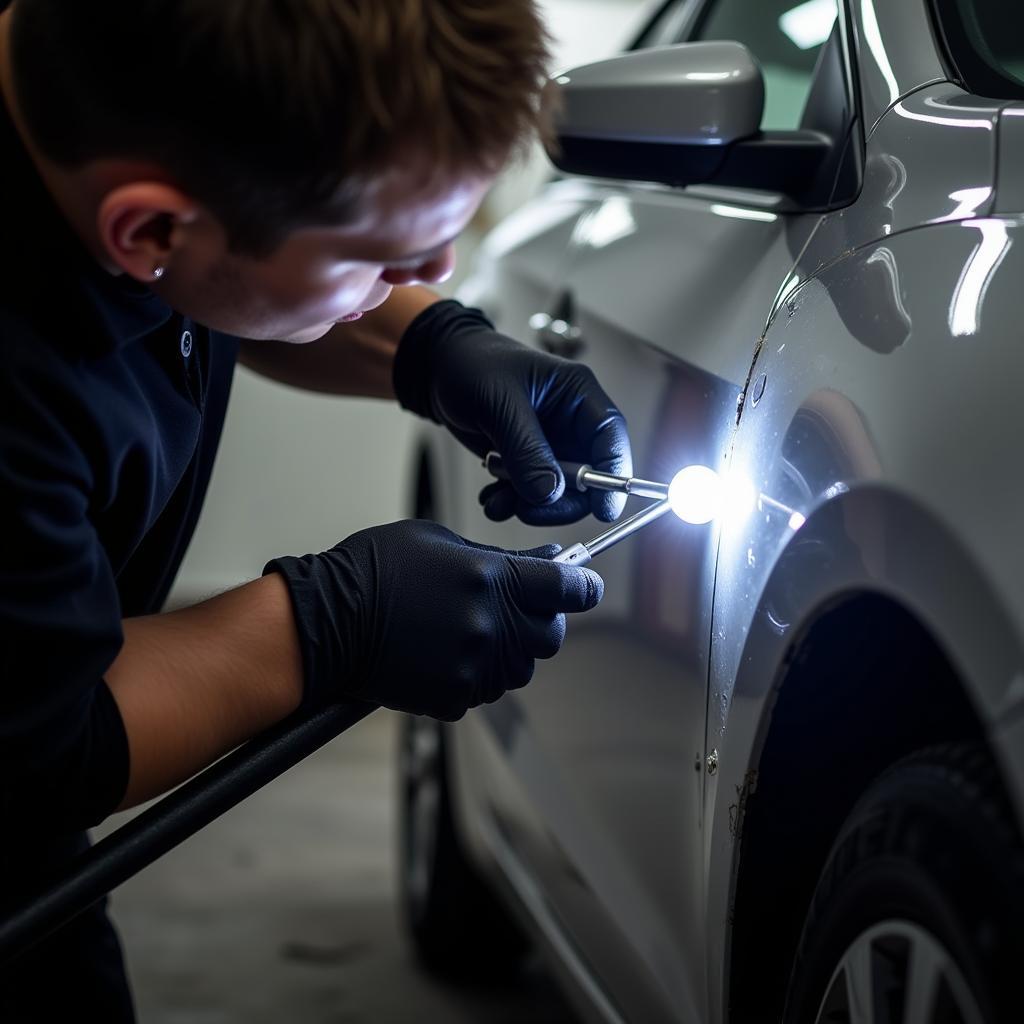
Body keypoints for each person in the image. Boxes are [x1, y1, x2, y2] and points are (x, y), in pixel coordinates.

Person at [0, 0, 632, 1018]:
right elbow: (41, 737)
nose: (429, 275)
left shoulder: (124, 112)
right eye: (386, 259)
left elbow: (228, 275)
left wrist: (432, 346)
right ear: (150, 229)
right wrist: (326, 625)